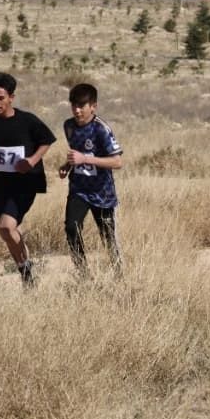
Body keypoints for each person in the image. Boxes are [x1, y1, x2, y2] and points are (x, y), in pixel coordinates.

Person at [0, 72, 56, 287]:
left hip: (25, 184)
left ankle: (26, 271)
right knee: (9, 232)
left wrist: (32, 160)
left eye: (0, 98)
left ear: (11, 97)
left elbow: (47, 141)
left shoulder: (27, 120)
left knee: (6, 227)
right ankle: (27, 274)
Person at [58, 83, 123, 276]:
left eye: (81, 105)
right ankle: (83, 274)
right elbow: (76, 154)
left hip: (102, 192)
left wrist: (85, 159)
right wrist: (67, 166)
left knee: (107, 237)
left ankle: (119, 274)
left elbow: (117, 161)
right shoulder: (68, 126)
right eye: (73, 106)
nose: (77, 110)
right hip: (79, 189)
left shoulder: (101, 129)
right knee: (71, 228)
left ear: (93, 106)